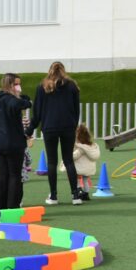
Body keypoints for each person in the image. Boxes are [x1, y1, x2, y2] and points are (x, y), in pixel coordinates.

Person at [27, 62, 82, 205]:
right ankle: (75, 195)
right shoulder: (72, 86)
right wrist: (74, 125)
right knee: (68, 160)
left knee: (52, 162)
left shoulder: (43, 86)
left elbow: (37, 112)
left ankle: (53, 196)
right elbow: (77, 110)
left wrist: (30, 129)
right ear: (63, 70)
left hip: (49, 127)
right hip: (68, 127)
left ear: (50, 71)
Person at [0, 73, 31, 210]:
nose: (19, 87)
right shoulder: (11, 100)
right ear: (10, 85)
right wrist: (27, 101)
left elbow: (21, 100)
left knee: (2, 173)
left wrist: (22, 98)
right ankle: (12, 206)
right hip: (13, 142)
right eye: (16, 84)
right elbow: (22, 103)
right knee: (14, 175)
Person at [65, 123, 100, 200]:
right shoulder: (93, 146)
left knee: (76, 178)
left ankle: (79, 190)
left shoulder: (81, 148)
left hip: (80, 168)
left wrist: (68, 155)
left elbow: (75, 156)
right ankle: (86, 194)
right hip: (89, 169)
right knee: (85, 180)